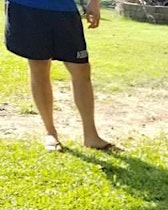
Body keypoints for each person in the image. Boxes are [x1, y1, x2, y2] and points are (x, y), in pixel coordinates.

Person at [4, 0, 113, 151]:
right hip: (27, 8)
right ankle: (50, 132)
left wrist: (94, 2)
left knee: (81, 69)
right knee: (39, 66)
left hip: (64, 10)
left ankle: (91, 136)